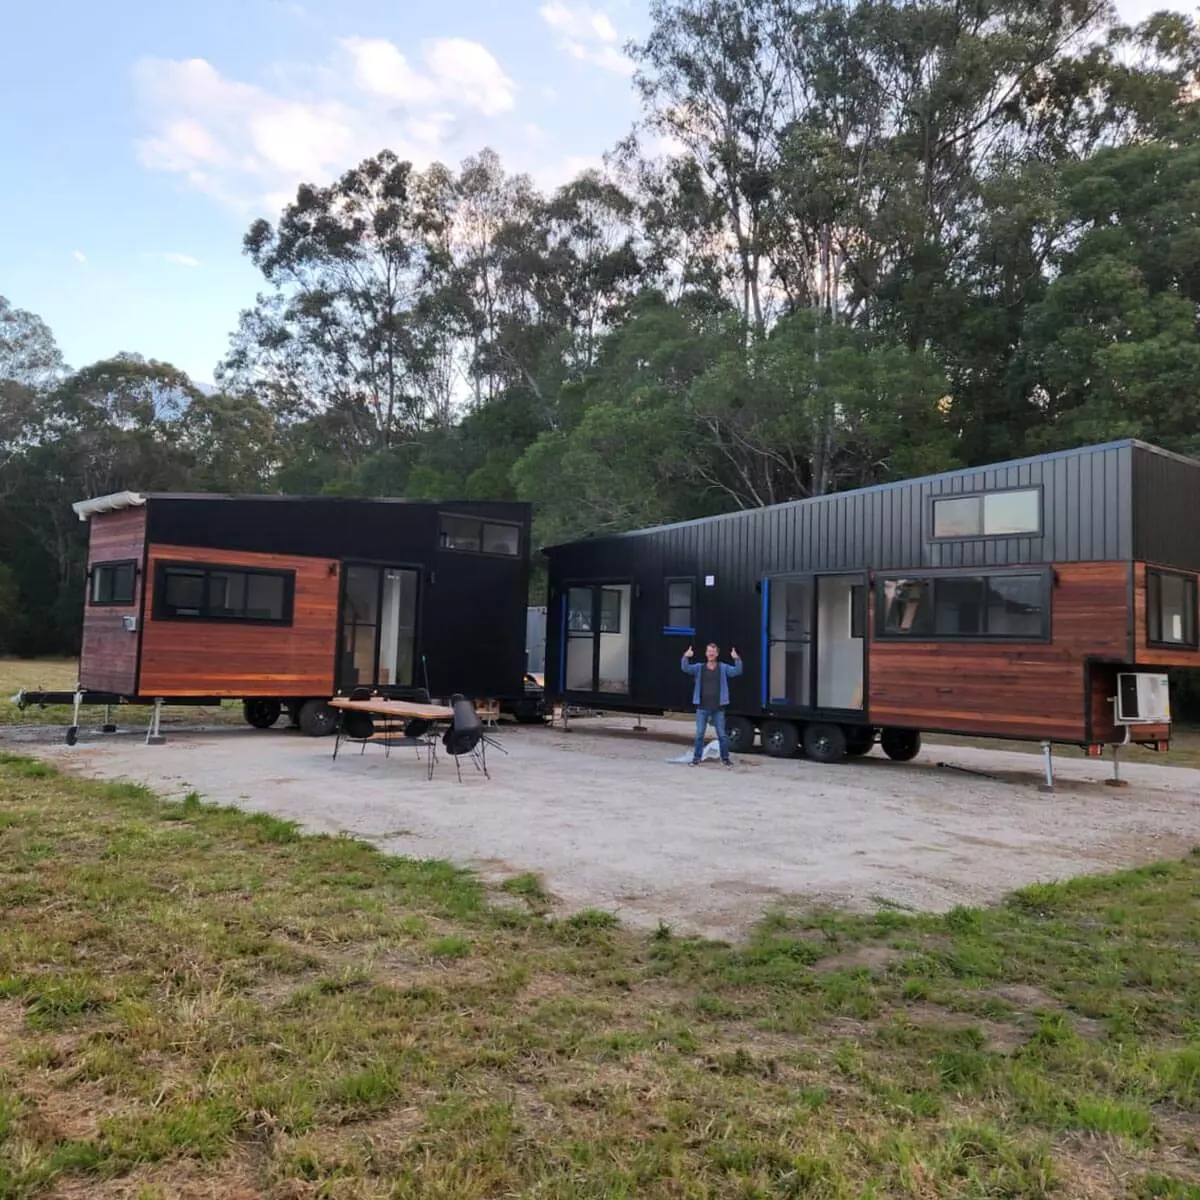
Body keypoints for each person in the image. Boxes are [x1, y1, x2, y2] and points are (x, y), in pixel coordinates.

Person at [681, 642, 743, 766]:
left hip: (718, 708)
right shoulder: (699, 667)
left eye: (713, 652)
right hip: (702, 707)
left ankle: (725, 758)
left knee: (722, 735)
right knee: (699, 734)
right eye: (709, 651)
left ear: (717, 654)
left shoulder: (723, 667)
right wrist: (686, 656)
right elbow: (685, 668)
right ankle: (696, 758)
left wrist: (737, 659)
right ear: (706, 653)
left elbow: (736, 671)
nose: (711, 653)